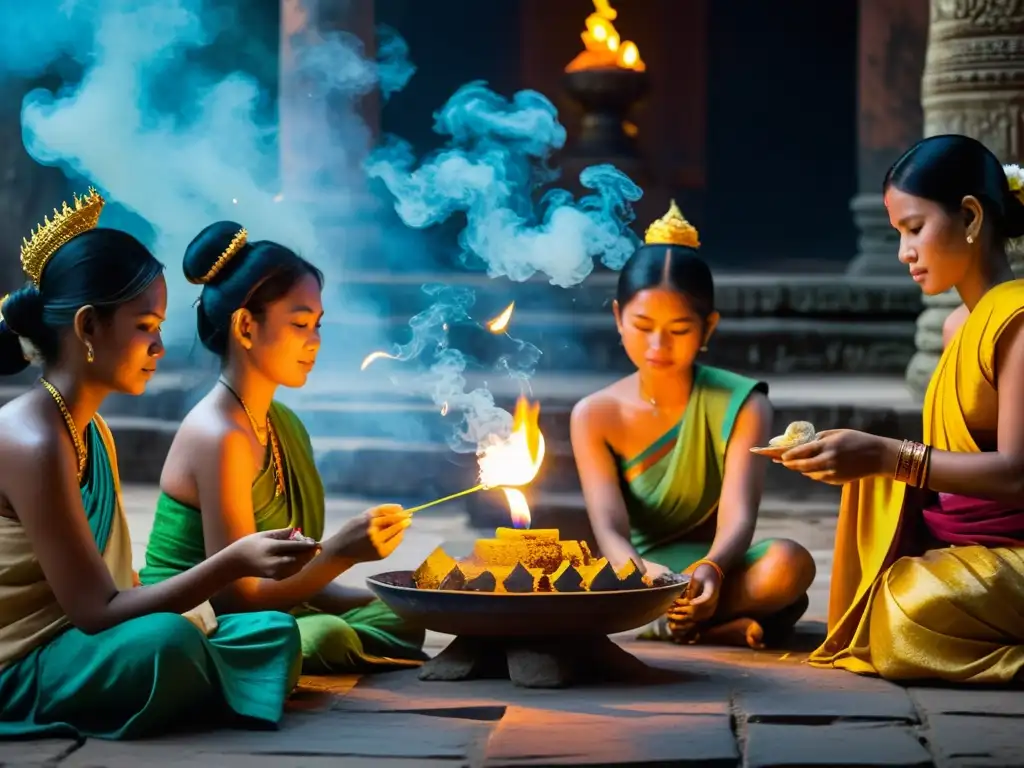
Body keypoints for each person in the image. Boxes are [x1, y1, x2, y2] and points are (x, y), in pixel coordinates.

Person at [0, 189, 321, 740]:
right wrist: (232, 563)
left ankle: (208, 676)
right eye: (145, 326)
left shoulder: (90, 429)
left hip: (84, 641)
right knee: (167, 644)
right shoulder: (33, 439)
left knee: (269, 630)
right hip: (24, 660)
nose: (159, 348)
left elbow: (113, 584)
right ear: (87, 328)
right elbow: (97, 610)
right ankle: (205, 677)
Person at [779, 134, 1024, 683]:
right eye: (898, 234)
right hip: (976, 546)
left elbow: (1017, 474)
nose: (903, 252)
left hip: (1016, 552)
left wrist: (889, 457)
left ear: (968, 216)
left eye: (914, 228)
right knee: (889, 603)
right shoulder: (963, 323)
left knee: (906, 612)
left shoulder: (1019, 321)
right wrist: (865, 460)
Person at [141, 221, 427, 674]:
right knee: (323, 635)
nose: (314, 342)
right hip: (205, 616)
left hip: (271, 608)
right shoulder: (219, 434)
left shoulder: (284, 424)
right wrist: (341, 552)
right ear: (246, 325)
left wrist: (398, 595)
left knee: (397, 616)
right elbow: (238, 597)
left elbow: (297, 579)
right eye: (299, 324)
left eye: (317, 325)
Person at [570, 202, 816, 648]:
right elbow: (609, 529)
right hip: (640, 571)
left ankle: (689, 620)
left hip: (717, 565)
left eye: (679, 329)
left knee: (788, 564)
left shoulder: (744, 404)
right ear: (617, 318)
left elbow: (739, 515)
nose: (658, 345)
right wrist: (646, 576)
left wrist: (713, 568)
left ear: (708, 328)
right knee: (589, 587)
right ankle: (712, 623)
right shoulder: (593, 414)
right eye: (643, 326)